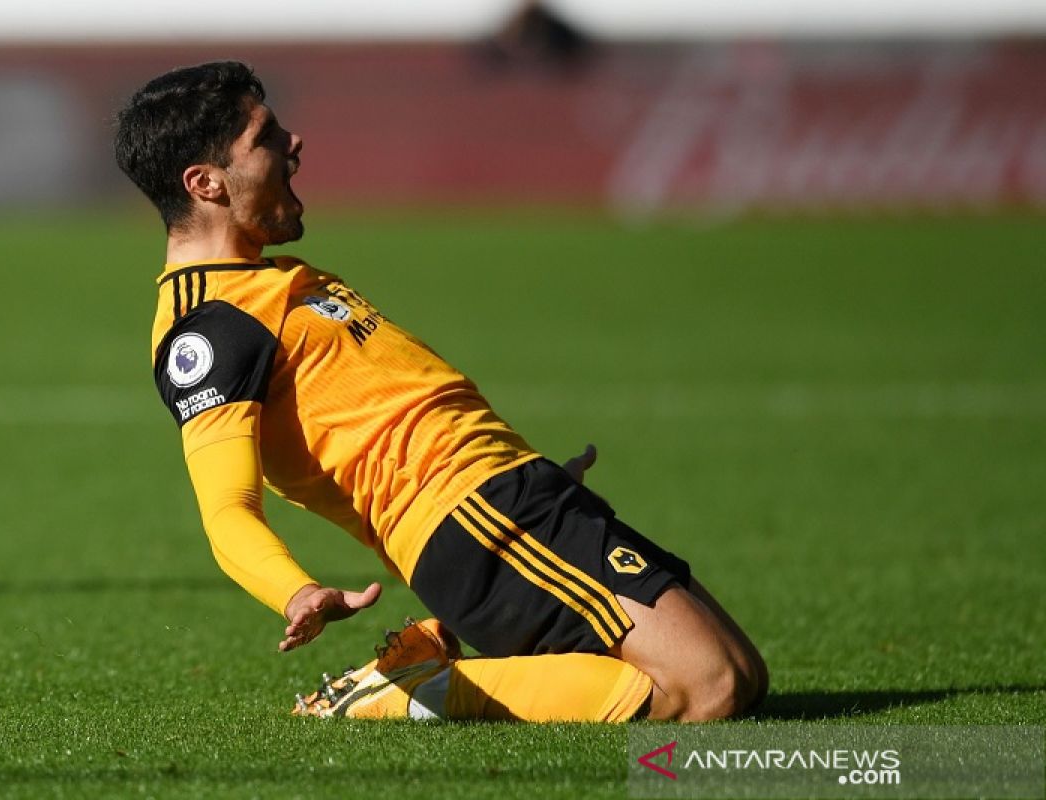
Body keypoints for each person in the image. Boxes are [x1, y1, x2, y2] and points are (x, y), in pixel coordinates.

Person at [114, 60, 766, 722]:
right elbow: (226, 508)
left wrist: (520, 470)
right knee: (707, 687)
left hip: (511, 496)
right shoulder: (209, 326)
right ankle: (412, 692)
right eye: (266, 137)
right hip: (471, 522)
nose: (294, 144)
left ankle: (429, 677)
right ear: (205, 182)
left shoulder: (269, 280)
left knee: (743, 673)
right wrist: (296, 592)